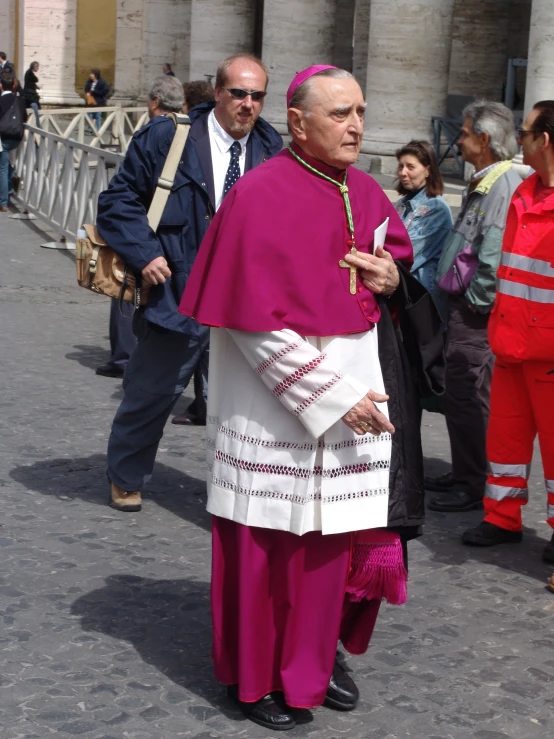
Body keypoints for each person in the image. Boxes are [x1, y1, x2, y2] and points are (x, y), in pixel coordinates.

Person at [179, 66, 420, 730]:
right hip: (273, 409)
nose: (356, 125)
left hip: (352, 411)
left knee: (322, 556)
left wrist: (393, 275)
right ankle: (251, 680)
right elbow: (250, 321)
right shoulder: (257, 196)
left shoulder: (369, 191)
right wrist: (331, 396)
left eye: (361, 112)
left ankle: (306, 673)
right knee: (261, 551)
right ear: (299, 120)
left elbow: (396, 280)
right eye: (340, 113)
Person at [96, 57, 282, 513]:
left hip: (242, 299)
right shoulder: (169, 138)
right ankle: (126, 474)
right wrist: (145, 252)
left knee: (241, 404)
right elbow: (117, 202)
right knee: (153, 391)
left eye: (256, 96)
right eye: (239, 93)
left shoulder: (272, 149)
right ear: (217, 92)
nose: (247, 104)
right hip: (178, 293)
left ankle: (236, 487)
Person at [461, 101, 554, 562]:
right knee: (506, 440)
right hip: (512, 339)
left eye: (525, 131)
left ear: (545, 140)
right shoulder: (524, 191)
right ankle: (501, 517)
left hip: (550, 351)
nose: (519, 139)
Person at [427, 101, 521, 513]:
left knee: (468, 393)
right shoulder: (487, 181)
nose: (458, 140)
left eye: (464, 134)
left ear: (483, 140)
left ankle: (475, 480)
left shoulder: (500, 186)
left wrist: (476, 305)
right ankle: (466, 471)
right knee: (460, 395)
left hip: (474, 314)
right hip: (464, 308)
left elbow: (493, 255)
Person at [170, 79, 217, 425]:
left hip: (196, 266)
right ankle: (205, 404)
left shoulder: (186, 142)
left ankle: (205, 405)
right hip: (200, 263)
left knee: (203, 346)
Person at [394, 140, 452, 321]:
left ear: (427, 170)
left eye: (410, 167)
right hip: (404, 293)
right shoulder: (402, 205)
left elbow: (405, 252)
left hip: (422, 296)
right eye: (401, 166)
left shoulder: (435, 208)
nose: (403, 172)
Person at [0, 73, 27, 213]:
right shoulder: (20, 101)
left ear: (1, 85)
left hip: (3, 139)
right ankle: (14, 175)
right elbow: (25, 118)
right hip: (17, 139)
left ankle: (3, 203)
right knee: (5, 166)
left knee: (2, 169)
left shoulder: (1, 100)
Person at [23, 61, 41, 126]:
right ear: (34, 67)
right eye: (37, 67)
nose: (38, 68)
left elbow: (30, 82)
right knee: (35, 109)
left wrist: (35, 86)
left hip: (29, 94)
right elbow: (36, 79)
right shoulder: (30, 73)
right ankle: (37, 125)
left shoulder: (29, 72)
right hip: (30, 96)